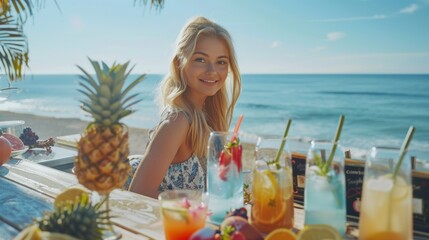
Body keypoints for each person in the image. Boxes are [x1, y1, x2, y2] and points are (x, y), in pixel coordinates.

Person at [129, 16, 242, 198]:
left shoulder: (209, 115)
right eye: (200, 59)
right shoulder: (178, 122)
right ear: (179, 63)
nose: (212, 70)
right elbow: (138, 192)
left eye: (221, 61)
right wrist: (204, 202)